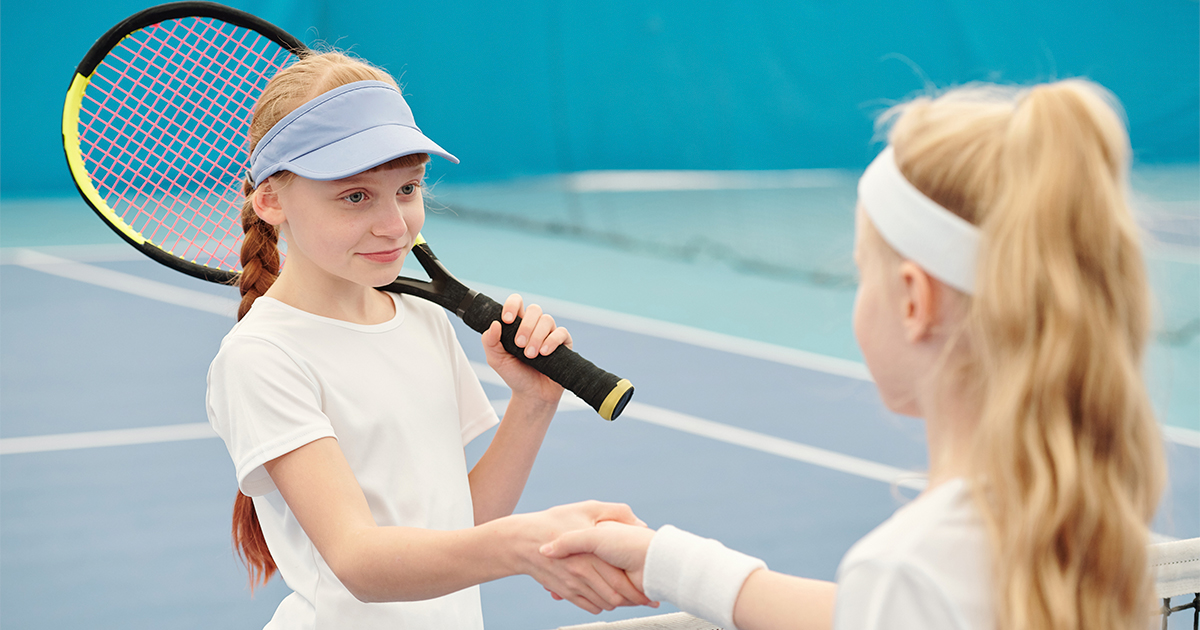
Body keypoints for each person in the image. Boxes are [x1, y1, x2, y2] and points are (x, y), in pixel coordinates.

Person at [541, 79, 1167, 630]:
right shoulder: (1089, 530)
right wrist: (668, 562)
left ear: (914, 299)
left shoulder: (907, 570)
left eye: (863, 269)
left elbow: (895, 603)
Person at [205, 50, 649, 629]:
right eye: (356, 196)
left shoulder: (420, 317)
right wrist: (523, 545)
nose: (394, 225)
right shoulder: (262, 357)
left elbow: (459, 524)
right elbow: (359, 562)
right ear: (270, 200)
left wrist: (533, 403)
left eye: (408, 188)